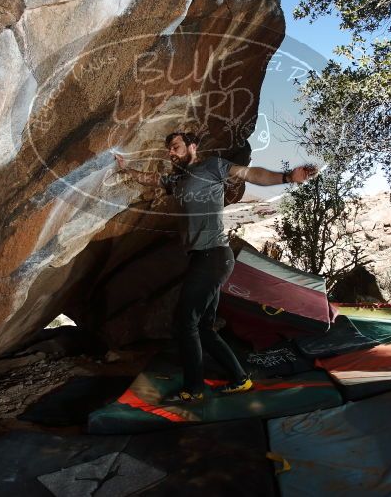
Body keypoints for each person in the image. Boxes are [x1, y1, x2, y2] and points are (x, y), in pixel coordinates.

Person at [114, 132, 317, 402]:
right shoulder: (179, 179)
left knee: (185, 322)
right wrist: (126, 168)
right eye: (169, 150)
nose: (171, 153)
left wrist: (286, 177)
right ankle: (240, 379)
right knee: (204, 328)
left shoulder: (211, 167)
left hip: (214, 256)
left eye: (175, 147)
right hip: (202, 258)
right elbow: (153, 179)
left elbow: (249, 173)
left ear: (192, 147)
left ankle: (193, 389)